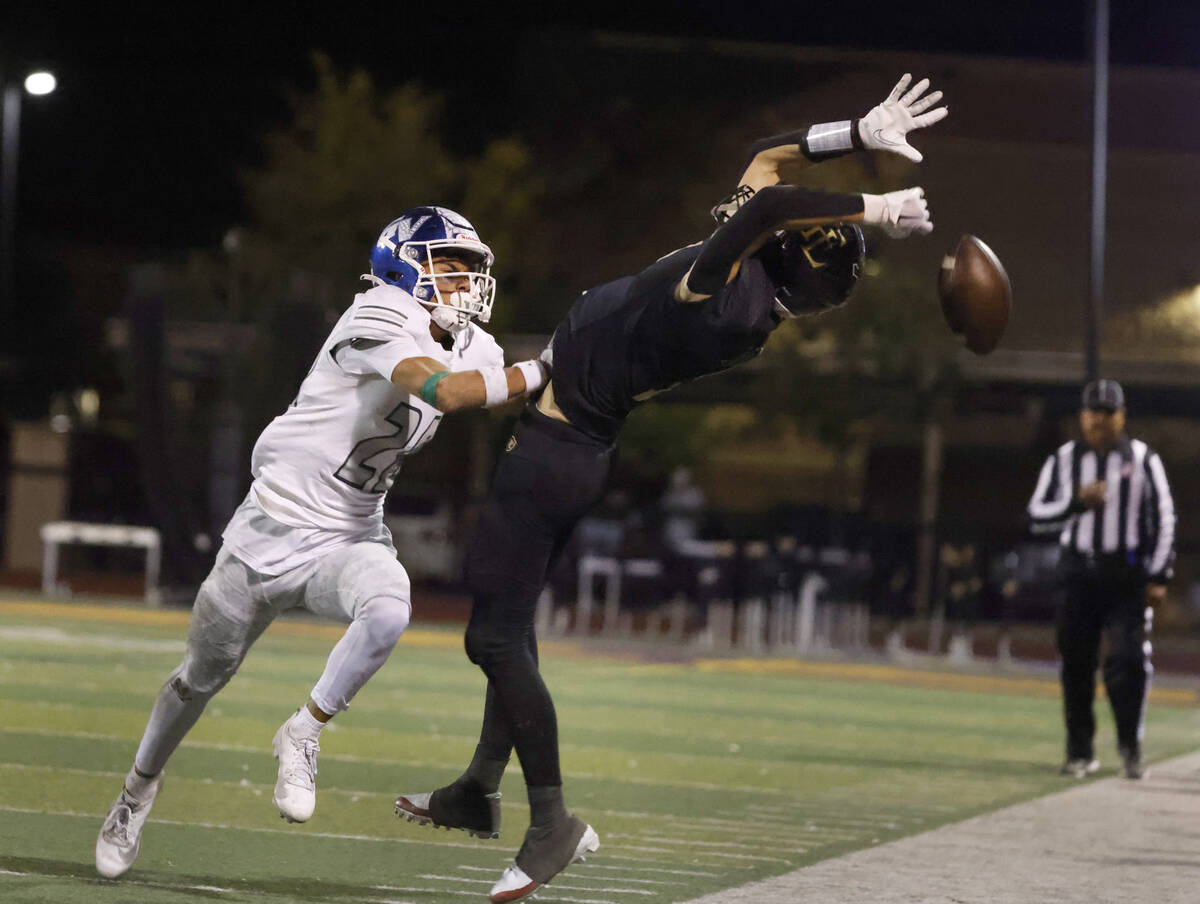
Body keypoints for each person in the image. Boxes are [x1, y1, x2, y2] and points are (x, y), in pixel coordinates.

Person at [395, 74, 948, 903]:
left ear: (790, 254)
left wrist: (868, 208)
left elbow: (765, 209)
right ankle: (478, 788)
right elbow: (763, 164)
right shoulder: (756, 267)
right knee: (513, 629)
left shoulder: (732, 302)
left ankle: (552, 827)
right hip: (572, 445)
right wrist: (856, 133)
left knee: (492, 641)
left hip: (556, 448)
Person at [94, 207, 551, 879]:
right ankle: (135, 794)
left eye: (470, 272)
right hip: (267, 534)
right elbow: (449, 392)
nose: (465, 285)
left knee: (391, 607)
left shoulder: (474, 343)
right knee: (198, 680)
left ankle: (304, 728)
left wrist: (588, 376)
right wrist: (544, 368)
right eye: (450, 268)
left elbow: (501, 389)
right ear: (405, 265)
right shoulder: (375, 316)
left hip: (351, 534)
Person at [1027, 378, 1176, 780]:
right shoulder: (1064, 459)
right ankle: (1080, 752)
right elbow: (1037, 514)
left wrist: (1159, 574)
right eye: (1094, 412)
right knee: (1076, 665)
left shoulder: (1144, 459)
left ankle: (1130, 746)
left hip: (1126, 575)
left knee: (1127, 661)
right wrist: (1076, 502)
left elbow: (1165, 519)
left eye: (1109, 413)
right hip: (1078, 573)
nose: (1100, 420)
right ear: (1082, 416)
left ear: (1122, 416)